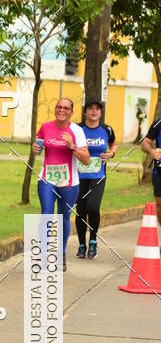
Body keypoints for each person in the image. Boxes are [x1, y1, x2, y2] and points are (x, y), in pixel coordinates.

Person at [32, 98, 90, 271]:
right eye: (59, 107)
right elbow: (38, 146)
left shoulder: (77, 131)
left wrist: (72, 146)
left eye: (66, 108)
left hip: (69, 181)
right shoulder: (46, 127)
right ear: (55, 109)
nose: (62, 110)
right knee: (46, 213)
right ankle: (43, 254)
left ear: (71, 112)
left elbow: (86, 159)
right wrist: (35, 149)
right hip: (47, 178)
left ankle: (60, 253)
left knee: (63, 217)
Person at [75, 99, 118, 259]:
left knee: (93, 207)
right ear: (85, 111)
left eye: (97, 109)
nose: (94, 111)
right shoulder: (77, 129)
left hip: (98, 176)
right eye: (90, 108)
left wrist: (111, 153)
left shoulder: (107, 129)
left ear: (101, 112)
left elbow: (114, 144)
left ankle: (93, 240)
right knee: (80, 210)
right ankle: (81, 244)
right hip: (78, 176)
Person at [141, 114, 161, 231]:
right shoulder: (158, 124)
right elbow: (145, 143)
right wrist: (152, 151)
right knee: (159, 205)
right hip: (159, 171)